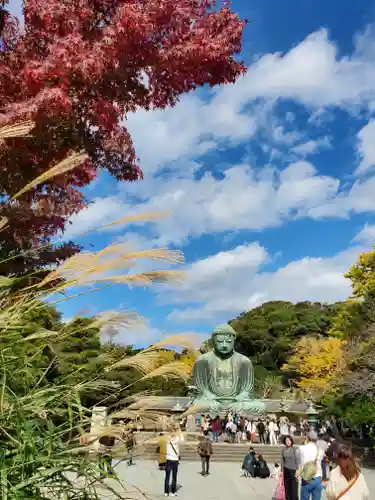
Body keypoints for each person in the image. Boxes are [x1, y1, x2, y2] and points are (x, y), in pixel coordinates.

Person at [297, 430, 325, 500]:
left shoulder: (301, 448)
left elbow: (299, 461)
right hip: (318, 478)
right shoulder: (321, 450)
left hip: (306, 478)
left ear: (307, 438)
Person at [164, 427, 184, 497]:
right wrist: (179, 430)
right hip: (175, 460)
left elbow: (166, 434)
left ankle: (166, 492)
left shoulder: (167, 440)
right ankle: (173, 492)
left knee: (167, 477)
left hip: (168, 459)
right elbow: (182, 439)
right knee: (174, 477)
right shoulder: (177, 439)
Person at [282, 435, 299, 500]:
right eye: (286, 440)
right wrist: (281, 471)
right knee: (287, 488)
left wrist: (298, 471)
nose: (288, 442)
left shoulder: (294, 449)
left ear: (291, 441)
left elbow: (298, 460)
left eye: (289, 440)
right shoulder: (283, 450)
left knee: (294, 488)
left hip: (293, 470)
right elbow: (282, 461)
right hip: (286, 470)